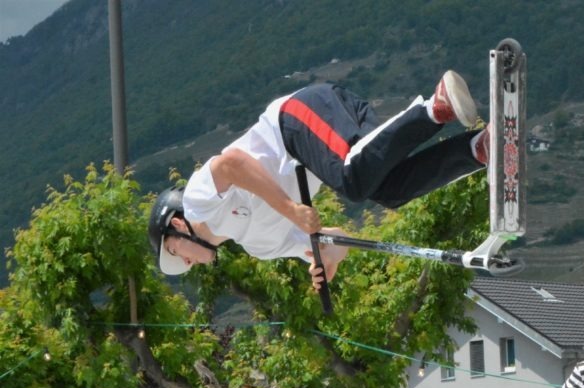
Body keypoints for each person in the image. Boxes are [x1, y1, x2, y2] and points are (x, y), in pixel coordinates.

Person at [148, 71, 489, 288]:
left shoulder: (196, 203)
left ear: (177, 224)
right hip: (327, 143)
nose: (185, 263)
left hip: (296, 121)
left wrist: (290, 209)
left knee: (353, 182)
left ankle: (435, 108)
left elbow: (231, 164)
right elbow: (332, 239)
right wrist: (327, 260)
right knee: (388, 191)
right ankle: (478, 150)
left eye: (174, 251)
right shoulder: (259, 246)